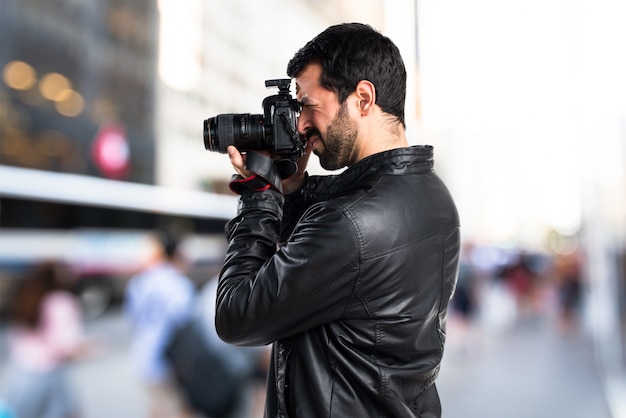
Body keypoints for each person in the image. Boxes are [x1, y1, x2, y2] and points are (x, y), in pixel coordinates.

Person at [214, 23, 461, 418]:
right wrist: (291, 189)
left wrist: (260, 194)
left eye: (309, 106)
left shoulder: (353, 222)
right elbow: (328, 274)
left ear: (362, 98)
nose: (301, 125)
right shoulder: (431, 194)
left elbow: (236, 315)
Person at [1, 260, 96, 418]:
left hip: (21, 373)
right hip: (49, 374)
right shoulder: (61, 301)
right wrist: (90, 348)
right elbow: (66, 346)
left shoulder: (26, 297)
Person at [124, 232, 195, 418]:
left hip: (143, 356)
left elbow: (133, 318)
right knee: (180, 410)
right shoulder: (178, 283)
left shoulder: (138, 282)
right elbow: (185, 324)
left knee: (158, 408)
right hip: (169, 361)